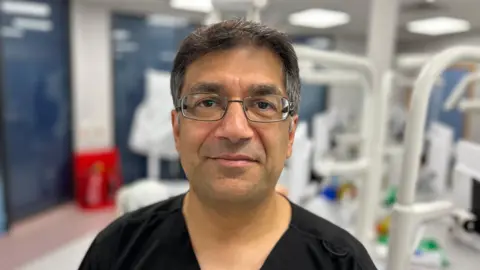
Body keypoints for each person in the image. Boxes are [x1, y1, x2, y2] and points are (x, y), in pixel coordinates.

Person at [79, 19, 377, 270]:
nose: (235, 130)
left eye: (262, 104)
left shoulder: (343, 262)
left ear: (289, 136)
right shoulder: (116, 252)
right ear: (177, 130)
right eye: (207, 102)